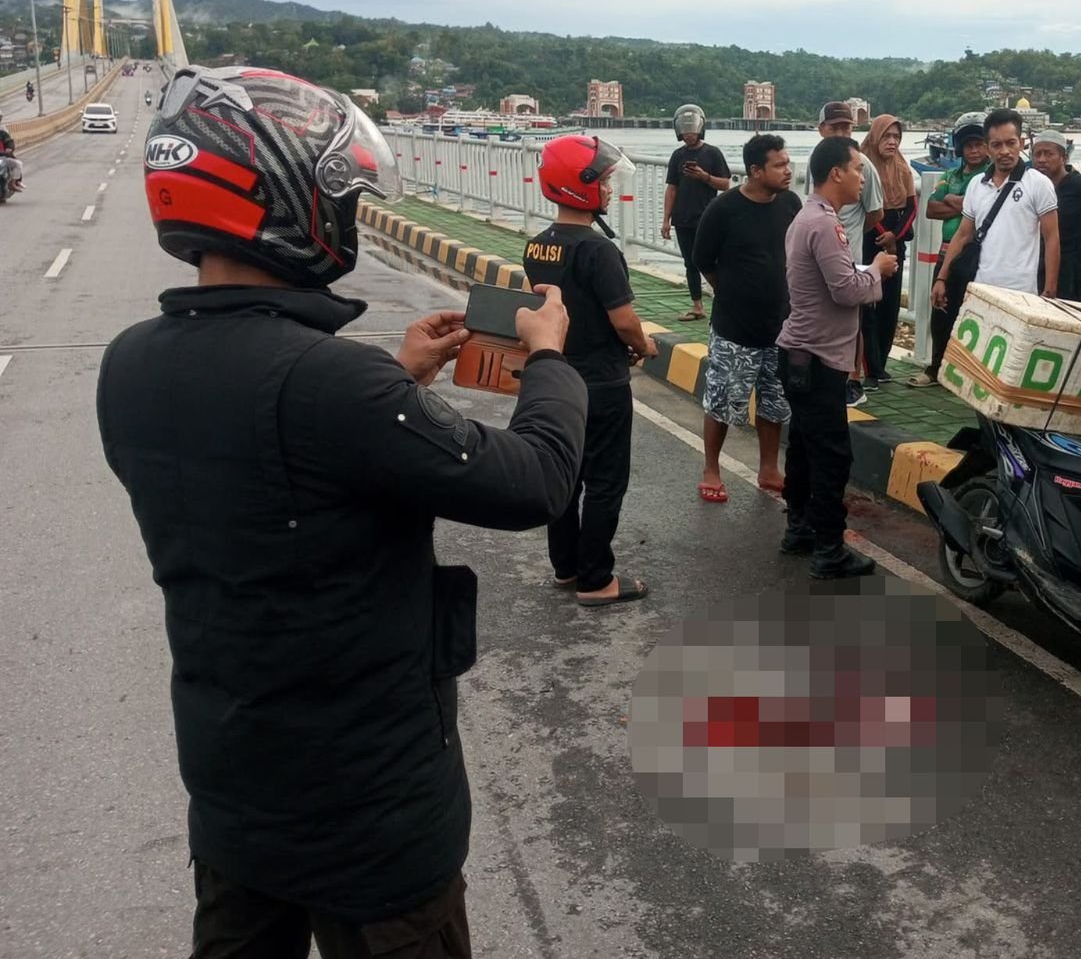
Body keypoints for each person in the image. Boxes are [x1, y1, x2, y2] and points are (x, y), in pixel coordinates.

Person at [97, 65, 585, 956]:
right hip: (368, 814)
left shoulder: (131, 362)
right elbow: (536, 482)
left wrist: (397, 378)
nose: (349, 216)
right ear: (282, 194)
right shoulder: (331, 383)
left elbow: (268, 470)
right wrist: (550, 359)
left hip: (234, 786)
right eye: (342, 196)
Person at [525, 134, 659, 607]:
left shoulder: (538, 246)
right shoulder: (599, 251)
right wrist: (644, 345)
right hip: (601, 383)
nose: (606, 187)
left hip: (555, 377)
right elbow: (623, 320)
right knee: (605, 482)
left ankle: (566, 567)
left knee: (566, 474)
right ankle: (596, 578)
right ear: (578, 186)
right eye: (601, 180)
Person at [778, 135, 896, 579]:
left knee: (806, 447)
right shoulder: (824, 224)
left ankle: (800, 528)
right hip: (818, 358)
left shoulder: (808, 217)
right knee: (831, 455)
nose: (863, 177)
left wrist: (865, 270)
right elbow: (845, 289)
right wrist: (878, 270)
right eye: (859, 169)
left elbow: (835, 279)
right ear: (836, 174)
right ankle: (829, 548)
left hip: (801, 353)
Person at [692, 133, 802, 502]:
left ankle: (769, 467)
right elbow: (703, 258)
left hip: (781, 326)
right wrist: (731, 292)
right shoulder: (724, 208)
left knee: (774, 401)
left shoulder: (790, 203)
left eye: (788, 163)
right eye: (780, 165)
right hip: (734, 327)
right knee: (722, 400)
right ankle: (712, 467)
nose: (788, 171)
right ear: (755, 171)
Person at [932, 108, 1060, 314]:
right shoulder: (976, 184)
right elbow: (963, 234)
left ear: (1022, 142)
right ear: (988, 148)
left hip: (1022, 295)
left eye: (1011, 143)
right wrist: (941, 277)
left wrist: (1050, 289)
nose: (1005, 151)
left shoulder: (1038, 184)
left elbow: (1052, 237)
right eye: (996, 145)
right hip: (980, 289)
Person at [909, 113, 988, 388]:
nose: (974, 150)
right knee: (941, 310)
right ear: (960, 148)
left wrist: (954, 203)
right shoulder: (951, 175)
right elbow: (931, 208)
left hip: (976, 254)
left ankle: (968, 373)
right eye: (969, 145)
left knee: (974, 315)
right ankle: (936, 369)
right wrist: (965, 203)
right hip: (946, 252)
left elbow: (983, 212)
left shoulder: (990, 176)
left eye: (979, 144)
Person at [818, 101, 884, 406]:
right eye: (835, 128)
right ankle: (828, 371)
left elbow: (875, 212)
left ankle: (854, 379)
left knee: (852, 319)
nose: (842, 133)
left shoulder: (863, 165)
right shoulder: (817, 162)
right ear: (821, 130)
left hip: (850, 252)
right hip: (820, 250)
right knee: (825, 313)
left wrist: (850, 232)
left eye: (846, 127)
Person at [861, 114, 918, 386]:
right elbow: (867, 206)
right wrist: (884, 233)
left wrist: (895, 235)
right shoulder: (861, 164)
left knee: (890, 304)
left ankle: (881, 363)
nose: (892, 142)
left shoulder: (903, 168)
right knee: (868, 304)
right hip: (869, 239)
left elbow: (912, 207)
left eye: (896, 137)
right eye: (887, 136)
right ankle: (869, 365)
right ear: (875, 136)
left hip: (896, 239)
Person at [661, 104, 731, 323]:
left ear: (700, 128)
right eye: (685, 130)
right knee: (689, 262)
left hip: (707, 216)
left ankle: (725, 299)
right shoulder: (677, 155)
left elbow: (726, 184)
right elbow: (672, 188)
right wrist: (666, 219)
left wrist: (705, 177)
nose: (688, 134)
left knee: (711, 260)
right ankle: (697, 305)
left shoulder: (712, 153)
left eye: (691, 130)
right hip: (683, 218)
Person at [1028, 129, 1081, 302]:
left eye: (1049, 154)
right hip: (1039, 268)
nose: (1041, 159)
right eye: (1037, 154)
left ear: (1064, 158)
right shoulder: (1031, 187)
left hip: (1074, 274)